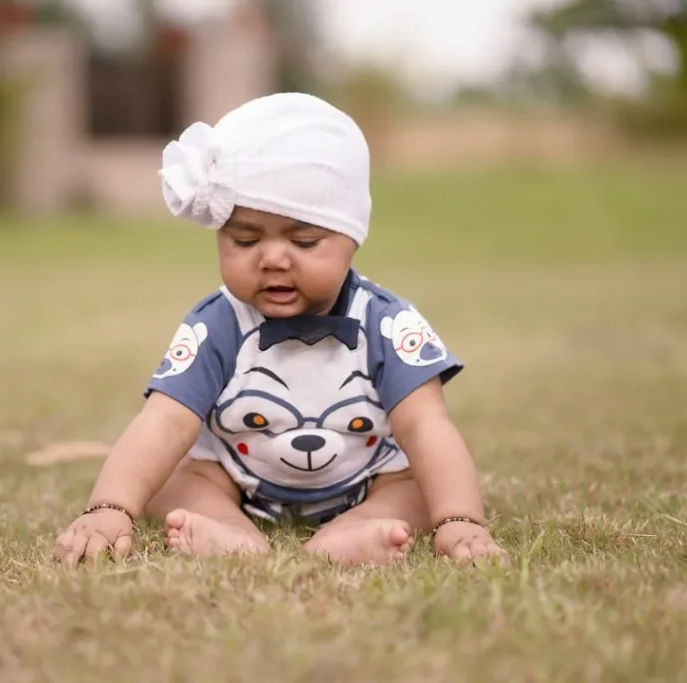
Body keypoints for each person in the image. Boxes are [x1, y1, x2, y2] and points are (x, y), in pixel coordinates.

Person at [53, 92, 506, 567]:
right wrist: (111, 508)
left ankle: (354, 530)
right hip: (235, 479)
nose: (272, 258)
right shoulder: (218, 323)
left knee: (417, 482)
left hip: (368, 477)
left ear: (351, 237)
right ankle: (231, 530)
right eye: (244, 239)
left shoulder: (387, 323)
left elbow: (425, 424)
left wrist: (459, 520)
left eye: (304, 240)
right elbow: (164, 422)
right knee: (173, 476)